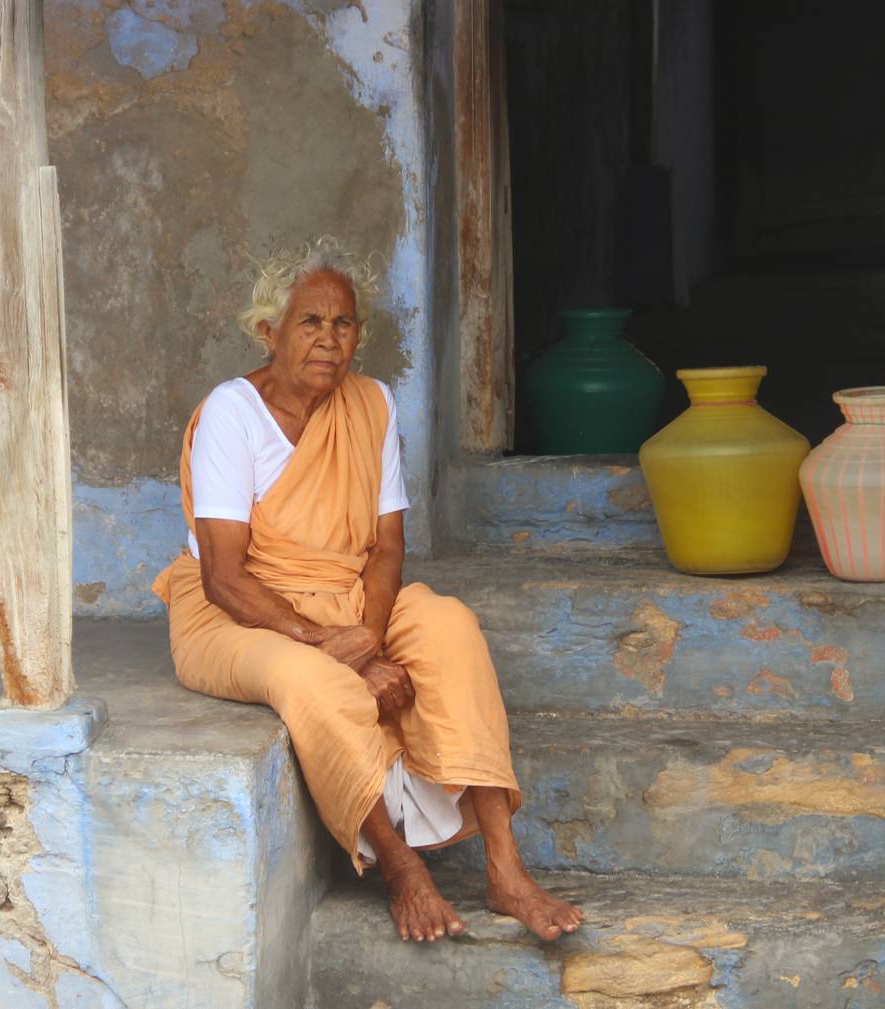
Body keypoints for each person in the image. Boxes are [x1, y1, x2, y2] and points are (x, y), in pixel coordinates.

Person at [152, 237, 582, 943]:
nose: (329, 340)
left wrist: (371, 636)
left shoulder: (371, 405)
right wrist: (337, 649)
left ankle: (506, 870)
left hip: (350, 600)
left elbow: (387, 545)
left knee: (448, 624)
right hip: (237, 615)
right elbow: (224, 575)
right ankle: (402, 869)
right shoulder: (232, 413)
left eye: (343, 324)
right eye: (309, 323)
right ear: (270, 333)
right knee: (312, 681)